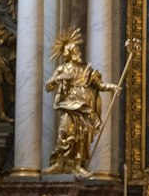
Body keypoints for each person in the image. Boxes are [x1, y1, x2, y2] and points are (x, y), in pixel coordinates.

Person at [45, 29, 116, 173]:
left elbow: (99, 85)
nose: (79, 53)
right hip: (68, 105)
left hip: (84, 107)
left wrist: (112, 87)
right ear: (68, 53)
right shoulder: (62, 69)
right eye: (75, 50)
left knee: (81, 135)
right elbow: (48, 86)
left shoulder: (86, 70)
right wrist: (57, 79)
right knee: (65, 131)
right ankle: (59, 163)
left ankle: (77, 165)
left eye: (78, 50)